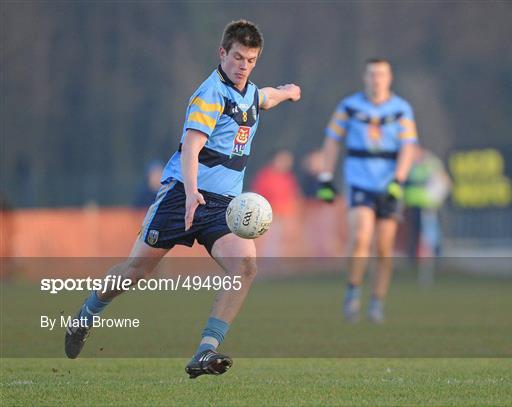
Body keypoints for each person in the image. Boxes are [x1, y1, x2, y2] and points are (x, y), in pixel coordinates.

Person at [64, 20, 301, 378]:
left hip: (223, 206)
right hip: (181, 195)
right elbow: (192, 148)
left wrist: (287, 92)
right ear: (222, 53)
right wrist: (191, 194)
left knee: (245, 267)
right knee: (135, 272)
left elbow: (262, 97)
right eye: (237, 57)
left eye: (251, 60)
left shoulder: (248, 91)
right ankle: (86, 313)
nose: (243, 66)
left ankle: (205, 351)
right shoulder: (210, 95)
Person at [317, 58, 417, 323]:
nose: (377, 79)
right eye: (372, 74)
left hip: (389, 184)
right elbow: (332, 140)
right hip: (360, 182)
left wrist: (399, 178)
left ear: (390, 77)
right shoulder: (349, 106)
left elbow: (408, 147)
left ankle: (377, 302)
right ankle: (353, 290)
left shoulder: (402, 109)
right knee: (361, 236)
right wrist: (325, 177)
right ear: (365, 77)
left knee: (384, 247)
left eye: (381, 74)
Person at [251, 149, 302, 256]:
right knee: (270, 244)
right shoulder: (265, 176)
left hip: (286, 216)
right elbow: (258, 196)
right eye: (282, 160)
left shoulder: (288, 177)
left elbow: (293, 196)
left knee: (285, 244)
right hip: (270, 217)